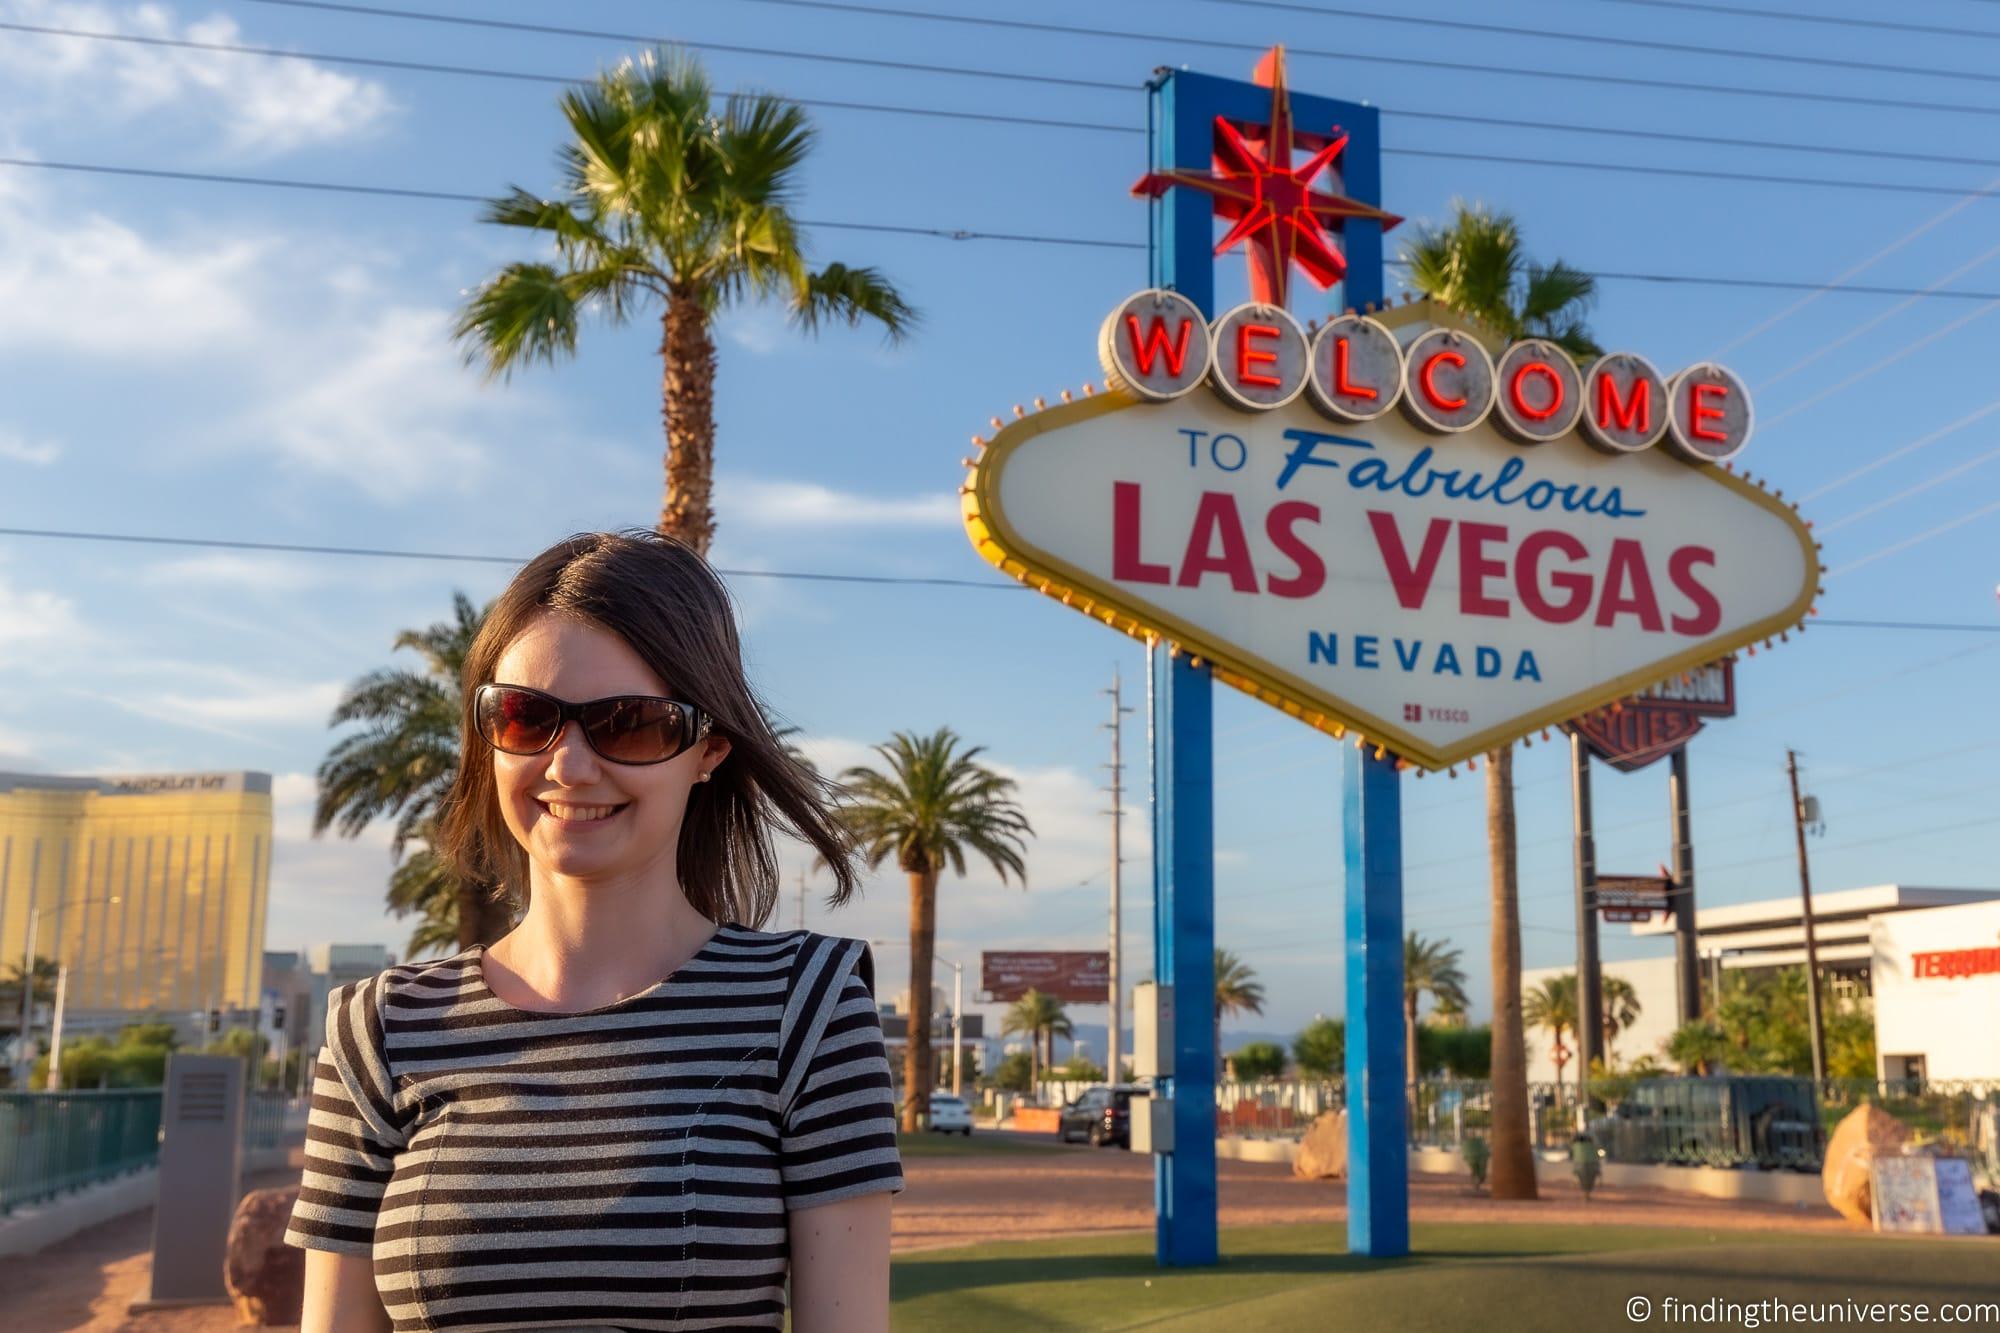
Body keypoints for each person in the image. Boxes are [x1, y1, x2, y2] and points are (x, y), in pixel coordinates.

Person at [284, 530, 901, 1332]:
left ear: (708, 747)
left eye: (630, 724)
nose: (569, 764)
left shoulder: (807, 1011)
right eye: (524, 717)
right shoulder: (378, 1030)